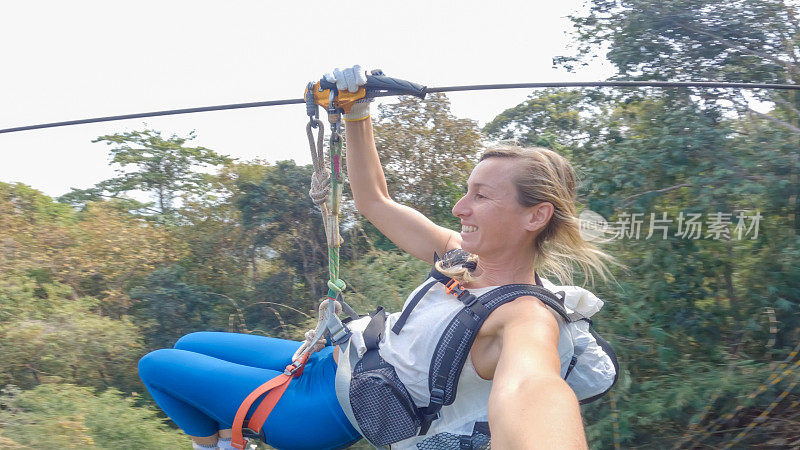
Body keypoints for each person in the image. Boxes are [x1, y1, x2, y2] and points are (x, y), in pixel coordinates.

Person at [138, 66, 615, 450]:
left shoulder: (526, 316)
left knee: (157, 366)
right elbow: (374, 202)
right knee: (190, 341)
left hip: (324, 410)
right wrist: (357, 113)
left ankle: (217, 446)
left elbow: (534, 390)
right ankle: (225, 435)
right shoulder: (459, 257)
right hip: (336, 360)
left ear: (536, 217)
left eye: (482, 197)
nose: (459, 208)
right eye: (465, 192)